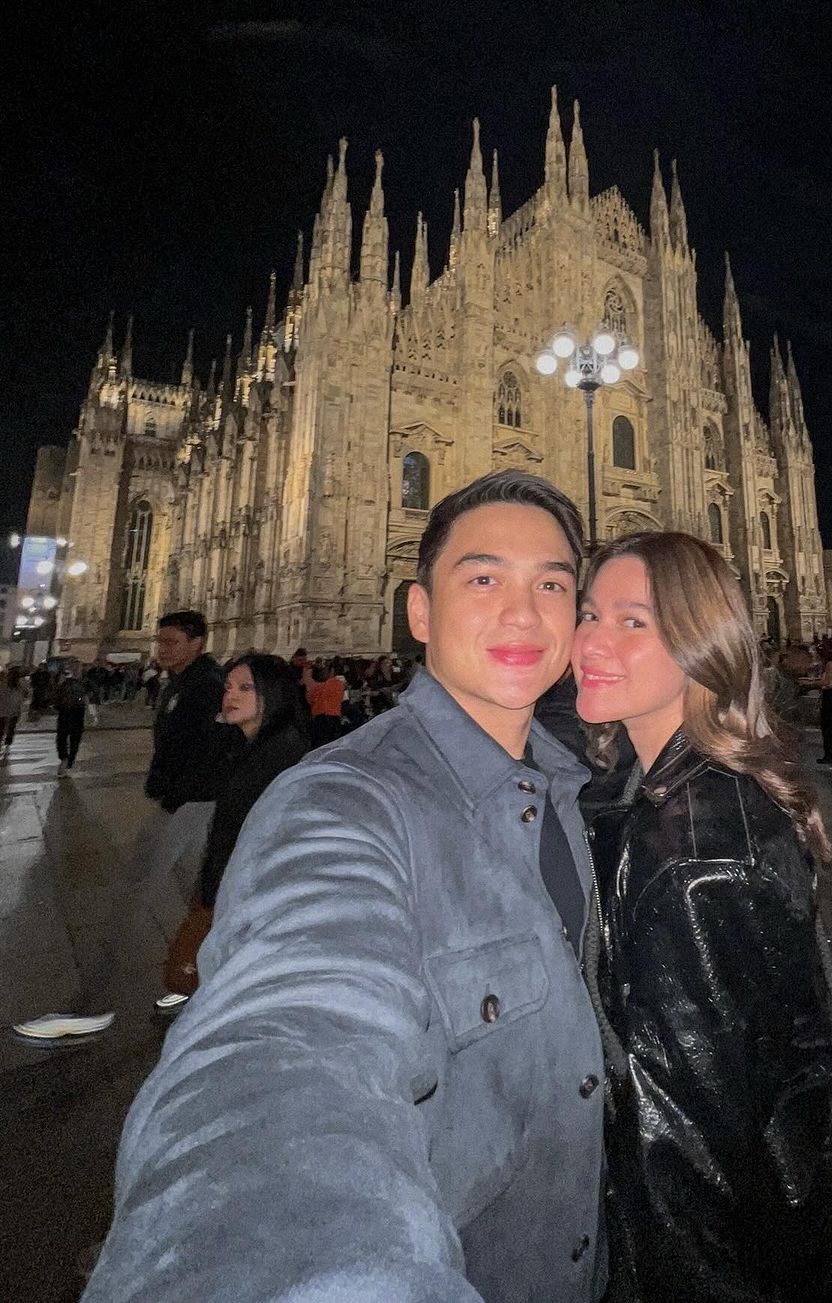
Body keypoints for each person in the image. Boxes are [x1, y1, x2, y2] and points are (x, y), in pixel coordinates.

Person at [82, 472, 606, 1303]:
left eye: (552, 584)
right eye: (483, 578)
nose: (523, 611)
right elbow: (282, 1052)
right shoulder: (339, 803)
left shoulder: (569, 791)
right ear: (418, 612)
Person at [573, 532, 832, 1302]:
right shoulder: (672, 791)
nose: (590, 640)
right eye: (589, 613)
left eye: (634, 621)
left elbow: (688, 1158)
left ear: (701, 644)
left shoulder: (694, 855)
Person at [14, 610, 224, 1041]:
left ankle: (91, 1006)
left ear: (196, 643)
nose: (162, 649)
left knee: (131, 897)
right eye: (160, 641)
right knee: (205, 901)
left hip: (188, 805)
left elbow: (213, 749)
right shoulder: (182, 681)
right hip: (183, 801)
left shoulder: (207, 685)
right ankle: (210, 984)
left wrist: (174, 789)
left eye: (171, 642)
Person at [156, 654, 310, 1011]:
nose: (230, 696)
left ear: (272, 694)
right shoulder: (247, 744)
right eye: (227, 688)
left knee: (192, 971)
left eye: (245, 688)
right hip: (231, 885)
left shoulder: (279, 755)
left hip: (246, 890)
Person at [54, 667, 88, 776]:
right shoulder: (80, 685)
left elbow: (56, 702)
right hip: (77, 715)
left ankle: (64, 759)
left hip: (65, 715)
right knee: (75, 740)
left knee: (62, 738)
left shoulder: (62, 686)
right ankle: (69, 761)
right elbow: (85, 699)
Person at [305, 659, 346, 746]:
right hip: (333, 718)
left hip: (321, 718)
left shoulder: (316, 687)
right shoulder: (339, 684)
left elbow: (309, 700)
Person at [0, 666, 22, 757]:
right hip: (10, 711)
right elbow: (20, 700)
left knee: (3, 729)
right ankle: (7, 746)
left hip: (4, 711)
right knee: (9, 729)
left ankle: (5, 745)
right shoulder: (18, 687)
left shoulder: (5, 686)